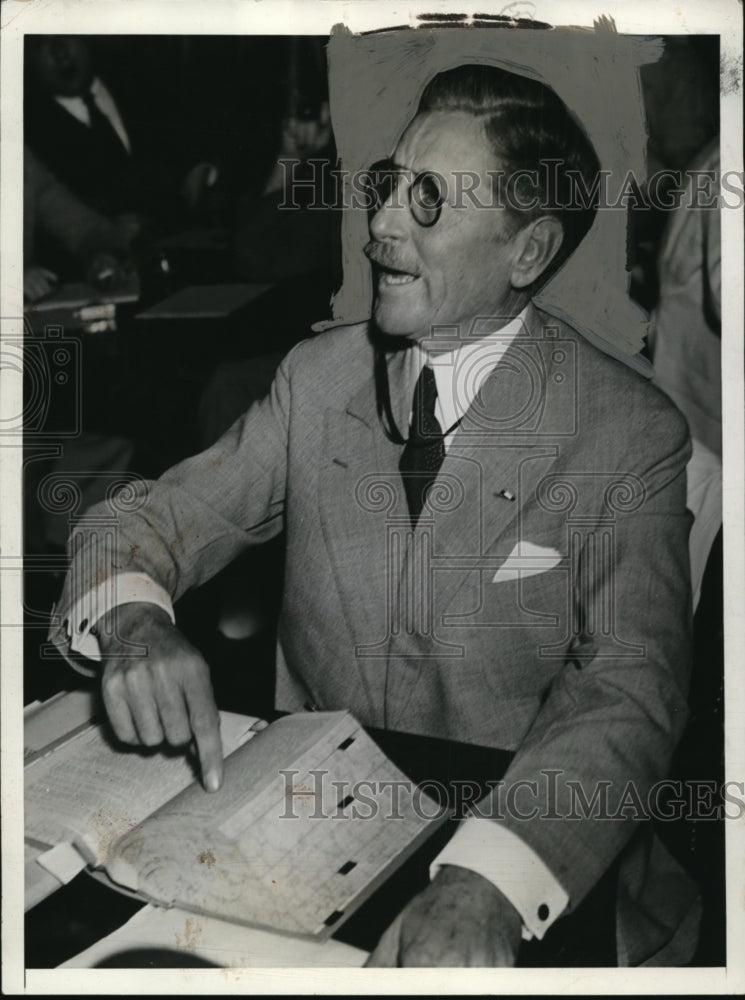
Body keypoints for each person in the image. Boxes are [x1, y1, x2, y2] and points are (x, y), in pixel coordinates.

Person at [49, 64, 694, 966]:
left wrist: (487, 883)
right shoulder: (317, 381)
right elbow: (142, 520)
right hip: (306, 839)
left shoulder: (625, 432)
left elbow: (628, 691)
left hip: (520, 866)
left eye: (428, 200)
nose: (381, 222)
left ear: (527, 252)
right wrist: (132, 622)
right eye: (388, 185)